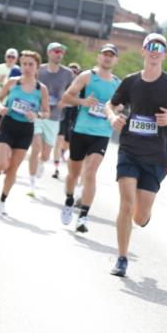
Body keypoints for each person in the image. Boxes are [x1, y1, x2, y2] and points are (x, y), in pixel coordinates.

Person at [106, 33, 167, 277]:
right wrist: (113, 117)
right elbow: (110, 105)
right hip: (130, 150)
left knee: (140, 215)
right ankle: (122, 258)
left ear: (164, 54)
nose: (155, 50)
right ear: (143, 51)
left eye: (160, 47)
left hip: (156, 157)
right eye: (150, 46)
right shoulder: (131, 81)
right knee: (126, 204)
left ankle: (142, 218)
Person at [59, 44, 122, 233]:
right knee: (73, 174)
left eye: (111, 55)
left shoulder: (117, 84)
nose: (108, 58)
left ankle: (83, 216)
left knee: (91, 172)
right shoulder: (88, 76)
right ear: (99, 57)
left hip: (101, 134)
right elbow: (67, 96)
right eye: (105, 55)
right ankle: (69, 200)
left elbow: (120, 106)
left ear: (116, 60)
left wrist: (115, 111)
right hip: (80, 130)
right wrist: (83, 102)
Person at [0, 51, 49, 216]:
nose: (27, 68)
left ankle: (2, 201)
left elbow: (47, 112)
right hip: (8, 125)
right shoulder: (12, 82)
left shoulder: (41, 89)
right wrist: (1, 108)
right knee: (1, 163)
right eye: (24, 64)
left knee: (13, 168)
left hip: (25, 131)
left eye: (31, 65)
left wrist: (37, 115)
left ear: (37, 67)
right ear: (20, 65)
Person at [27, 42, 73, 197]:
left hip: (54, 117)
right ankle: (32, 183)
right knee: (36, 146)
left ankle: (41, 163)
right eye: (56, 51)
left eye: (62, 52)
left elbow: (73, 93)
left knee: (45, 153)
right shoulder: (39, 70)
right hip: (37, 113)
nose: (59, 54)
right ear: (49, 53)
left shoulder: (67, 74)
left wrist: (64, 102)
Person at [53, 62, 82, 179]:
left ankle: (62, 153)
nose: (73, 74)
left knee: (68, 142)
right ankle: (56, 168)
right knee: (59, 139)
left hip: (74, 115)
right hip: (63, 114)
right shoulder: (63, 83)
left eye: (75, 72)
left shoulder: (81, 84)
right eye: (71, 71)